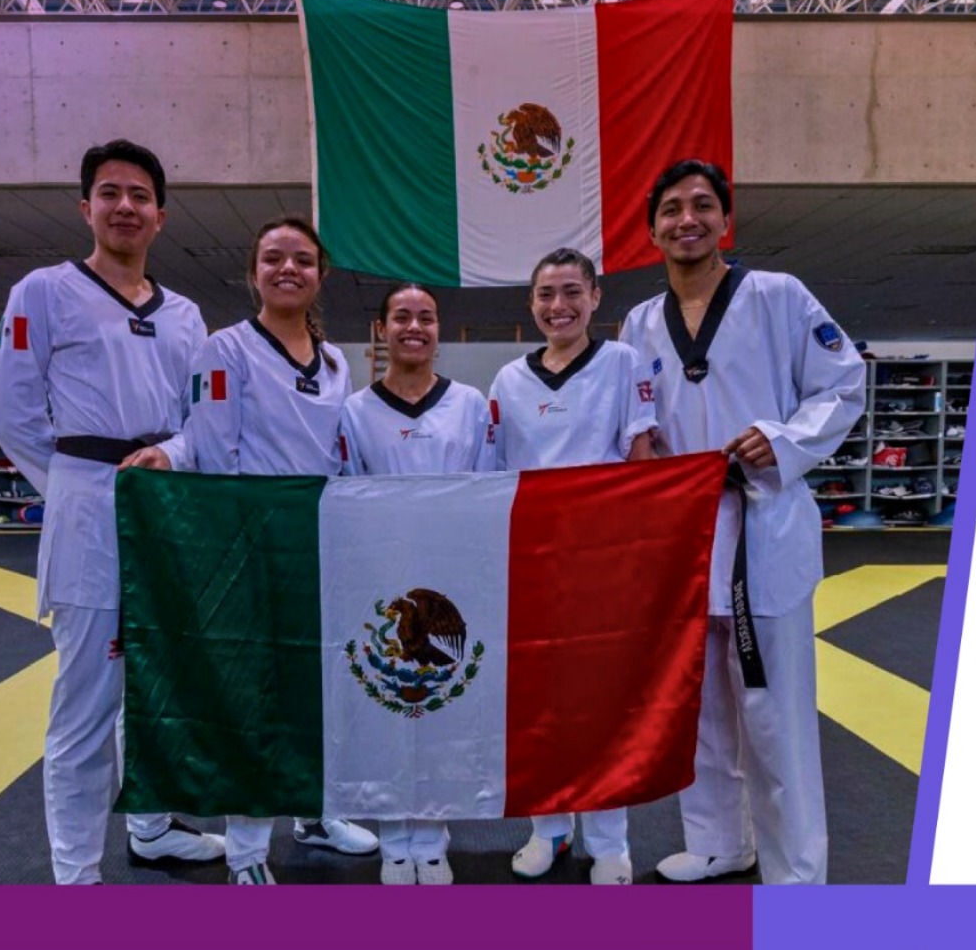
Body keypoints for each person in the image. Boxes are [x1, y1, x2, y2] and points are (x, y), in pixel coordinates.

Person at [619, 159, 865, 885]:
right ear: (653, 229)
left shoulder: (778, 297)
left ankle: (796, 871)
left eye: (701, 205)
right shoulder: (638, 321)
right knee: (699, 707)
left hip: (763, 525)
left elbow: (843, 381)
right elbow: (633, 423)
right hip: (685, 534)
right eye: (670, 209)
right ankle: (720, 839)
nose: (685, 219)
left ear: (726, 220)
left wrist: (782, 441)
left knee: (773, 713)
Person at [0, 139, 225, 884]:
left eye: (139, 195)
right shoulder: (45, 290)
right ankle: (77, 876)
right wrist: (77, 484)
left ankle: (153, 829)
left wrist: (175, 458)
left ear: (161, 214)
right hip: (91, 507)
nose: (125, 206)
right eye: (110, 192)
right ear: (85, 205)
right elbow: (12, 414)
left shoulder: (186, 314)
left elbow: (202, 422)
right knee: (87, 701)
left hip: (168, 513)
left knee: (163, 687)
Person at [183, 216, 378, 884]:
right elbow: (211, 456)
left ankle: (314, 812)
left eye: (301, 259)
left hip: (317, 544)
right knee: (254, 698)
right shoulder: (226, 349)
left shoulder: (333, 361)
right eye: (273, 258)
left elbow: (336, 456)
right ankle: (244, 851)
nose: (287, 268)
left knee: (318, 690)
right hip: (249, 544)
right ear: (252, 272)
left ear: (320, 274)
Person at [489, 247, 659, 886]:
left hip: (601, 556)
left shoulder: (621, 363)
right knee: (538, 703)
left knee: (601, 702)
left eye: (570, 292)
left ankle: (610, 838)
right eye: (544, 295)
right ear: (530, 304)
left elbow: (641, 456)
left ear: (594, 298)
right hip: (532, 558)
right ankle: (548, 827)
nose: (557, 307)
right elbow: (492, 474)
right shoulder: (508, 380)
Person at [337, 283, 493, 885]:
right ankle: (392, 838)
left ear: (438, 330)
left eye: (426, 318)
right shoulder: (355, 410)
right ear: (382, 329)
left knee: (441, 714)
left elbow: (486, 487)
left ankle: (432, 837)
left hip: (450, 582)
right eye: (401, 317)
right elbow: (346, 495)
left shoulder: (471, 404)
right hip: (381, 586)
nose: (414, 327)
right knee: (383, 710)